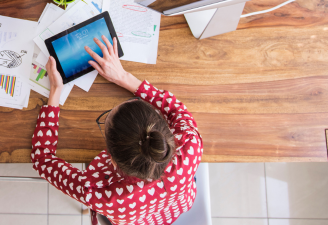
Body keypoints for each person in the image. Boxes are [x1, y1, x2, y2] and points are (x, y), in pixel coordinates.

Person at [32, 36, 203, 225]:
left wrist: (55, 90)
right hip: (174, 207)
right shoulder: (190, 143)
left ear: (111, 159)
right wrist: (123, 77)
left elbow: (42, 159)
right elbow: (175, 109)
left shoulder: (98, 193)